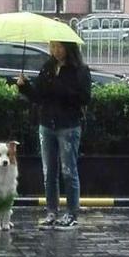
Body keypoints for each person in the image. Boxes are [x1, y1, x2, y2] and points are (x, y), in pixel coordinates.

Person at [16, 41, 91, 230]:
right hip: (46, 124)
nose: (55, 51)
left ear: (68, 47)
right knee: (49, 172)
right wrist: (25, 87)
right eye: (52, 47)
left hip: (68, 126)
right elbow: (39, 96)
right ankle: (51, 211)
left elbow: (84, 97)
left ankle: (72, 213)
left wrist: (60, 87)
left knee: (68, 171)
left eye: (59, 47)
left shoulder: (80, 70)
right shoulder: (48, 68)